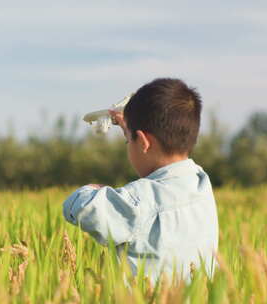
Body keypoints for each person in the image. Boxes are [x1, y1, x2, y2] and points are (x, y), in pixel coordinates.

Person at [62, 78, 219, 282]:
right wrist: (132, 130)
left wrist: (92, 190)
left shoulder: (141, 200)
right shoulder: (201, 184)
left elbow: (82, 208)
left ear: (144, 142)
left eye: (128, 140)